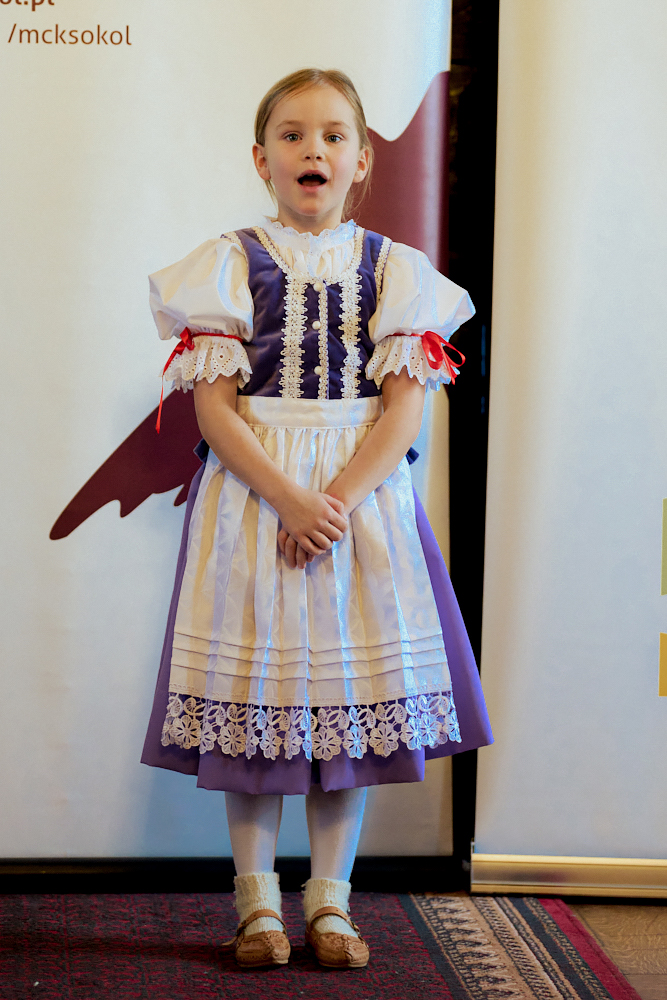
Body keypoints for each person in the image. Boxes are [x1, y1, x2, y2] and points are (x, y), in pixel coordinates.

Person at [142, 67, 492, 970]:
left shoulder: (394, 269)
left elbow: (403, 413)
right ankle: (256, 903)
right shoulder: (228, 262)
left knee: (347, 703)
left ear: (362, 160)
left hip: (359, 501)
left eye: (334, 135)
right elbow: (215, 411)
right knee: (256, 699)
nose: (314, 150)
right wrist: (288, 498)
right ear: (261, 159)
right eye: (293, 135)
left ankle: (330, 902)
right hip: (255, 496)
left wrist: (332, 503)